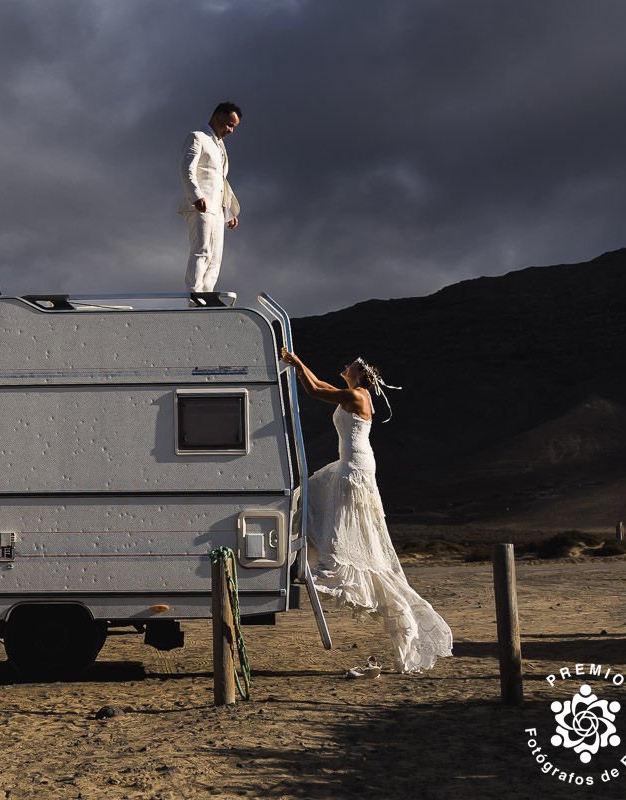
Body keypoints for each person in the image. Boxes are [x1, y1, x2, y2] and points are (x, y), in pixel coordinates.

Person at [280, 347, 453, 673]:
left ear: (359, 374)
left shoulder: (358, 396)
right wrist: (297, 364)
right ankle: (310, 557)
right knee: (312, 495)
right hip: (349, 463)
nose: (344, 366)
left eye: (350, 365)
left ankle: (327, 566)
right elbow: (318, 385)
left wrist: (296, 362)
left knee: (338, 522)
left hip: (355, 467)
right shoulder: (352, 392)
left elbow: (316, 390)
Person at [179, 102, 242, 293]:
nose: (231, 130)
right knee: (202, 250)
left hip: (217, 209)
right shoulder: (197, 137)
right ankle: (195, 294)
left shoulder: (220, 147)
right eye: (229, 124)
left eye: (234, 127)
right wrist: (196, 195)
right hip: (200, 204)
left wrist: (229, 211)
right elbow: (187, 169)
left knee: (215, 256)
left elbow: (220, 181)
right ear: (217, 117)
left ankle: (207, 296)